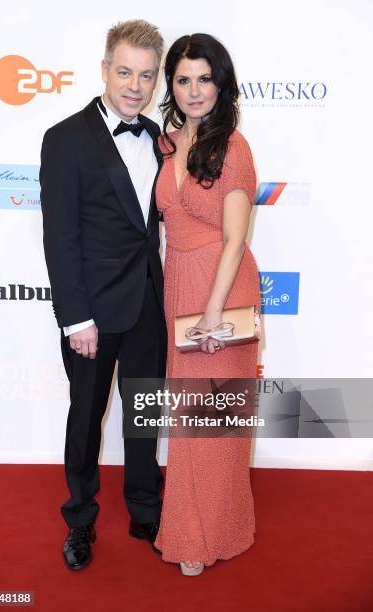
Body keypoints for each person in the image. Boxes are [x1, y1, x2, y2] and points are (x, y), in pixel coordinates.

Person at [39, 19, 167, 570]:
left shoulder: (166, 140)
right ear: (103, 70)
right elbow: (60, 237)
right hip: (91, 313)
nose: (135, 85)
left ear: (157, 78)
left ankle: (145, 510)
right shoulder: (65, 138)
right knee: (85, 418)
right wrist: (75, 319)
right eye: (124, 72)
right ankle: (80, 521)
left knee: (143, 412)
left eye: (146, 74)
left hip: (149, 306)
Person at [153, 33, 260, 575]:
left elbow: (236, 238)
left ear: (221, 83)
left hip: (222, 288)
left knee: (212, 423)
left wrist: (216, 311)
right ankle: (193, 524)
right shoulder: (168, 142)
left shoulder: (234, 148)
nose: (194, 90)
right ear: (172, 85)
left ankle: (207, 535)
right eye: (182, 79)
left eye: (204, 78)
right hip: (179, 286)